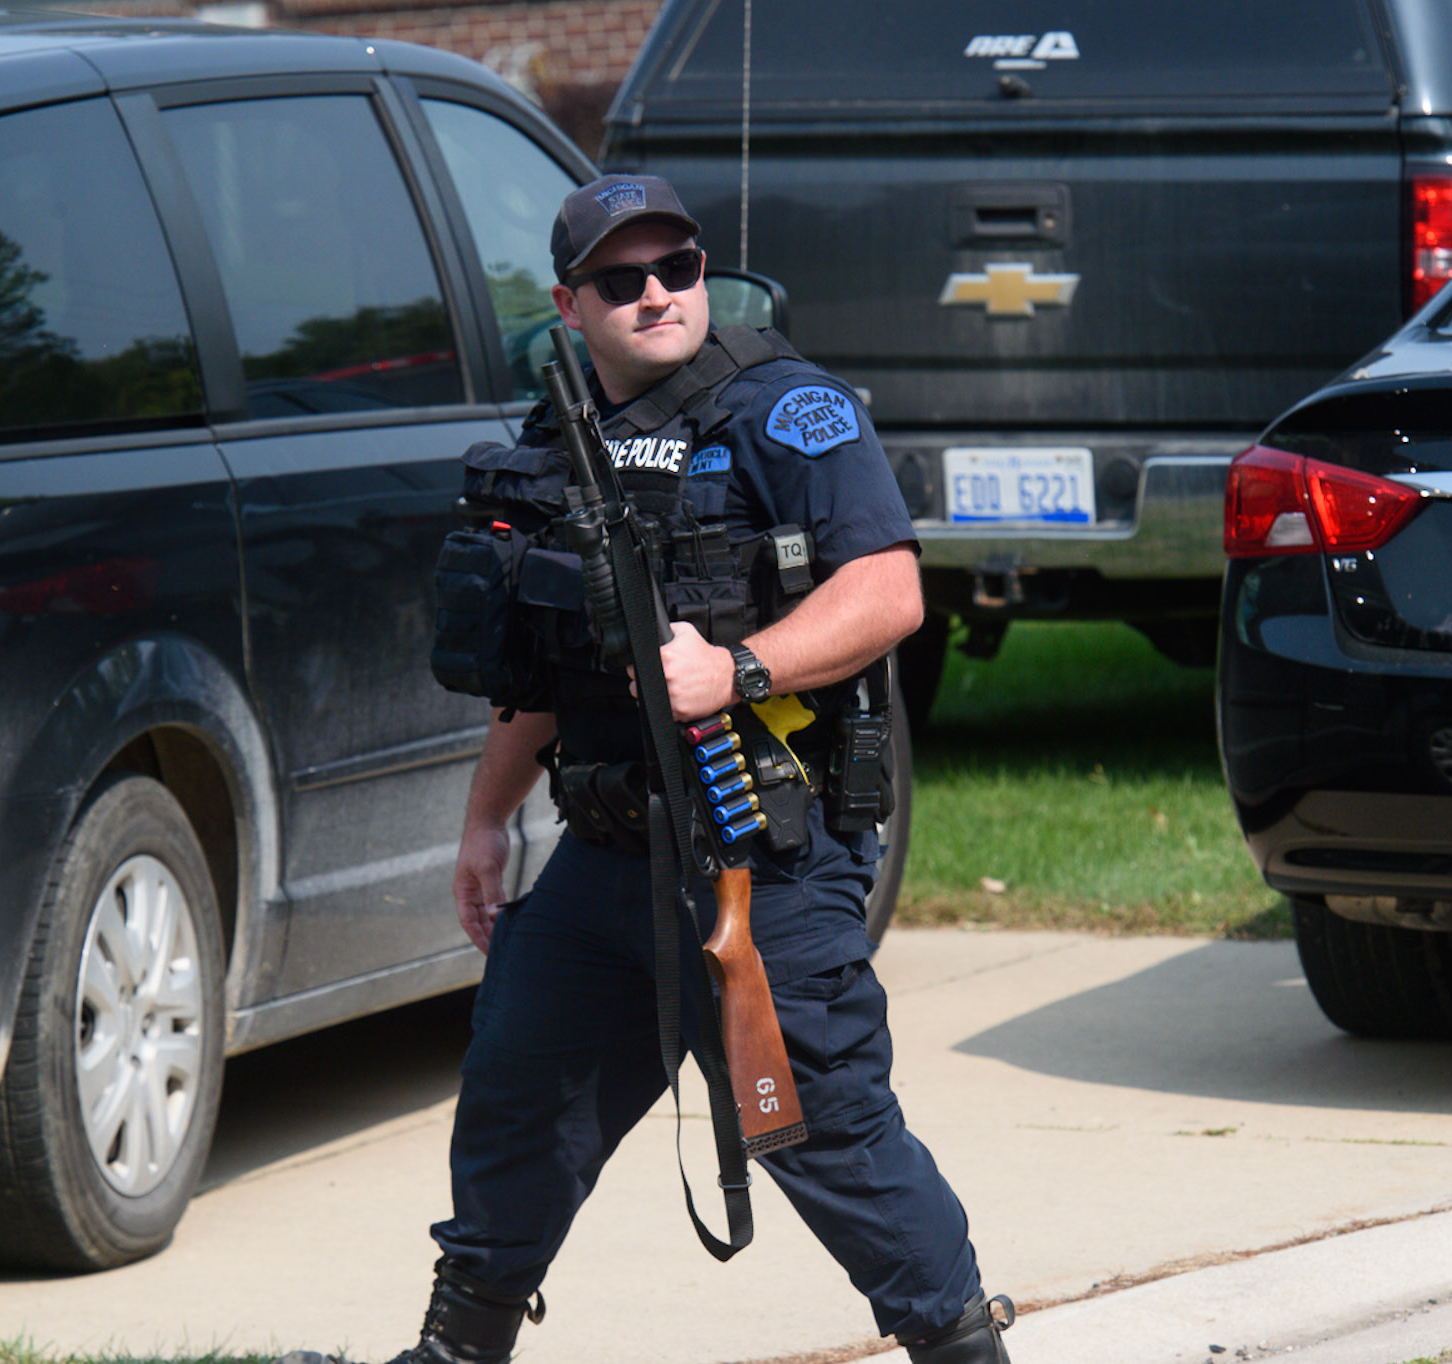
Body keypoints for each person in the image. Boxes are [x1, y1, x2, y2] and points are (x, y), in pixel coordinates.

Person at [381, 175, 1013, 1364]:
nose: (657, 295)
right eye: (621, 281)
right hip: (605, 856)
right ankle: (454, 1348)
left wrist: (741, 669)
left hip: (762, 852)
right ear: (571, 305)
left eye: (677, 269)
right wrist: (483, 822)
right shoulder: (554, 443)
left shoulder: (786, 411)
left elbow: (887, 593)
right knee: (518, 1106)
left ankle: (962, 1349)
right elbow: (545, 677)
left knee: (831, 1133)